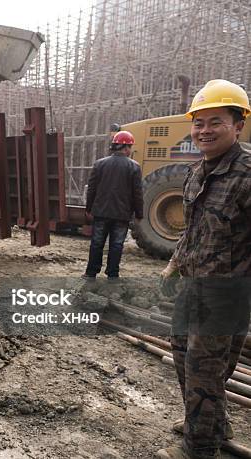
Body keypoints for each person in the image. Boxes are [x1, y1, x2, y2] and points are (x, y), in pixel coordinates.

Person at [157, 79, 251, 459]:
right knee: (183, 356)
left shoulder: (248, 175)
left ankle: (199, 447)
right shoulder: (197, 172)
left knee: (204, 369)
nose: (204, 131)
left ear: (238, 124)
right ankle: (211, 420)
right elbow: (192, 229)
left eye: (216, 122)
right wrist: (173, 265)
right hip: (192, 285)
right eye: (199, 123)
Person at [83, 130, 143, 278]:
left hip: (101, 212)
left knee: (97, 243)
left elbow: (92, 189)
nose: (130, 150)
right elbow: (137, 193)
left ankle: (91, 273)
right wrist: (139, 214)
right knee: (116, 245)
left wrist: (89, 208)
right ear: (126, 147)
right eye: (130, 147)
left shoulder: (100, 164)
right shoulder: (134, 167)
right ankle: (112, 274)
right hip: (122, 215)